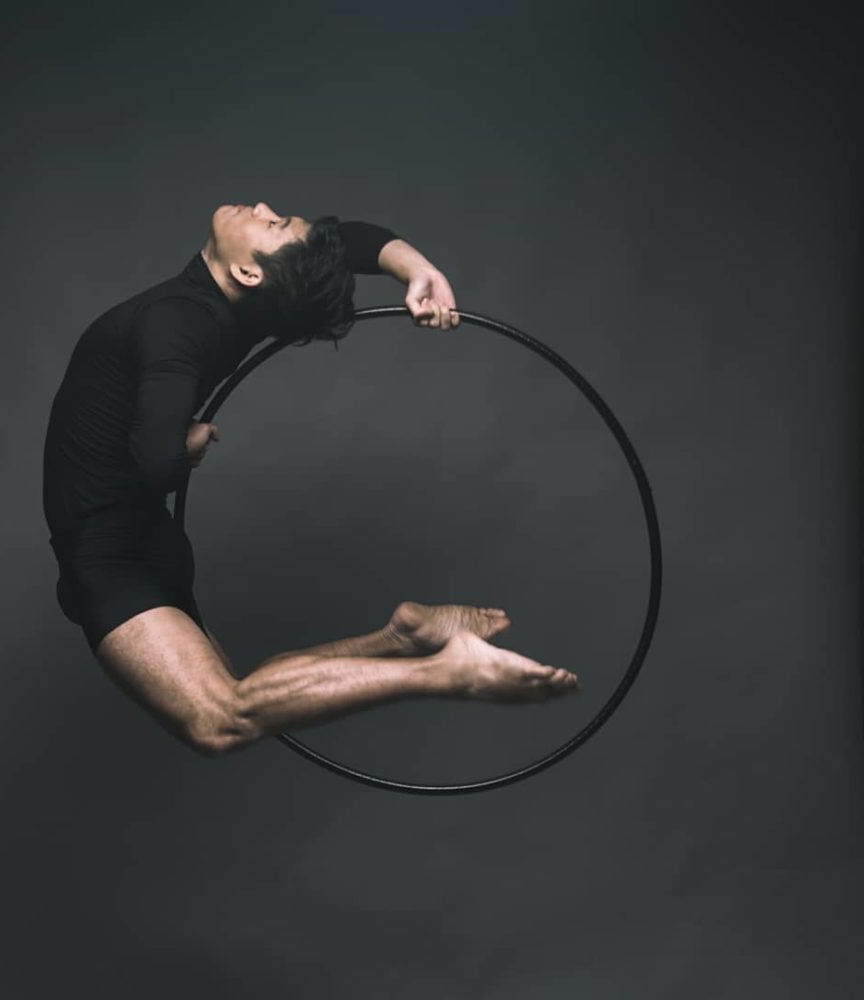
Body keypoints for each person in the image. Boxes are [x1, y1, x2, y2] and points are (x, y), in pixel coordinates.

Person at [42, 201, 579, 757]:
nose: (263, 208)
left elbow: (157, 461)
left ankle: (449, 672)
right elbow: (350, 241)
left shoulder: (178, 320)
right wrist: (418, 269)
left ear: (248, 272)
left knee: (218, 718)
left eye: (274, 225)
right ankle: (402, 638)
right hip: (142, 539)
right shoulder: (245, 308)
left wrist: (183, 443)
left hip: (109, 551)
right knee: (244, 695)